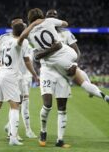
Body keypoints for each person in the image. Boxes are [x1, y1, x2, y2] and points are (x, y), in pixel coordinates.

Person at [19, 8, 109, 147]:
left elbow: (76, 50)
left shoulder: (65, 33)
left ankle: (60, 140)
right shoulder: (36, 31)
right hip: (48, 70)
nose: (50, 18)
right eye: (49, 16)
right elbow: (36, 55)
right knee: (47, 105)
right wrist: (52, 49)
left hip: (64, 67)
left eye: (53, 16)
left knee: (62, 106)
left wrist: (74, 63)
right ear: (44, 17)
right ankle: (43, 132)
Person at [0, 20, 39, 146]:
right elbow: (27, 61)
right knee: (15, 106)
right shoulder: (22, 42)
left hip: (0, 74)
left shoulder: (5, 40)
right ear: (23, 32)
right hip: (11, 76)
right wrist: (35, 75)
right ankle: (13, 137)